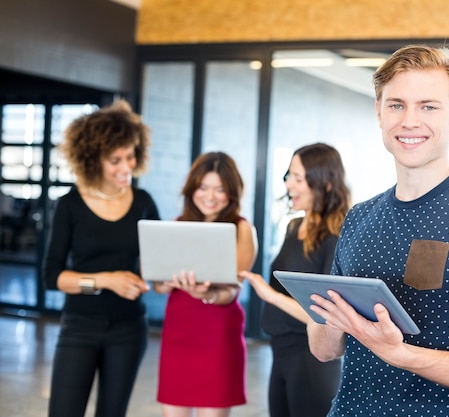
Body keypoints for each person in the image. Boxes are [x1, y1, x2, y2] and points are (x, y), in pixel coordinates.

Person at [306, 45, 449, 417]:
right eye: (396, 105)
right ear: (379, 114)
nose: (409, 121)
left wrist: (403, 355)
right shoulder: (359, 218)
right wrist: (337, 321)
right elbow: (323, 349)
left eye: (428, 106)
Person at [43, 99, 160, 417]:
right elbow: (52, 277)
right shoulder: (70, 205)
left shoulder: (144, 203)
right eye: (115, 160)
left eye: (131, 155)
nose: (127, 167)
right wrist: (106, 280)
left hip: (128, 329)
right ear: (92, 159)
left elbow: (158, 267)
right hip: (79, 326)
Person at [239, 143, 351, 417]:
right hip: (281, 350)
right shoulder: (294, 227)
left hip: (310, 357)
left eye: (298, 178)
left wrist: (270, 295)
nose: (289, 184)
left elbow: (326, 315)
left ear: (324, 183)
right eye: (289, 175)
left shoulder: (335, 237)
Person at [153, 152, 258, 417]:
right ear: (192, 189)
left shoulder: (241, 228)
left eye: (220, 189)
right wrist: (165, 281)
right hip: (178, 330)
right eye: (203, 187)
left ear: (231, 192)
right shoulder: (177, 225)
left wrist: (207, 293)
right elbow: (159, 286)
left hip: (218, 334)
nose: (210, 197)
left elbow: (233, 289)